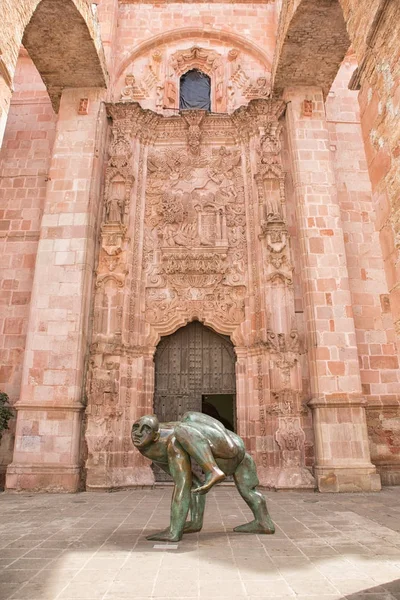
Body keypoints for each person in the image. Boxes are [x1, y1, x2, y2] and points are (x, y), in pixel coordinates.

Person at [131, 411, 275, 541]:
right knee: (247, 489)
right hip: (237, 450)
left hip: (228, 451)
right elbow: (193, 484)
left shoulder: (173, 442)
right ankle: (263, 522)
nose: (138, 433)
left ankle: (212, 470)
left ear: (156, 436)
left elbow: (182, 484)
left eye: (145, 429)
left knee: (186, 421)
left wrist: (174, 531)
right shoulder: (148, 445)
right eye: (136, 427)